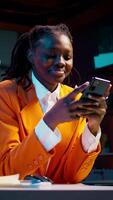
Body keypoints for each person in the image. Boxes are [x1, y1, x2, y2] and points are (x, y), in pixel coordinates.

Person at [0, 24, 110, 183]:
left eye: (67, 57)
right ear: (30, 55)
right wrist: (51, 120)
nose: (61, 62)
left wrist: (92, 127)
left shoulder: (74, 98)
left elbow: (74, 176)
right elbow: (7, 173)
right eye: (51, 55)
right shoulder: (5, 94)